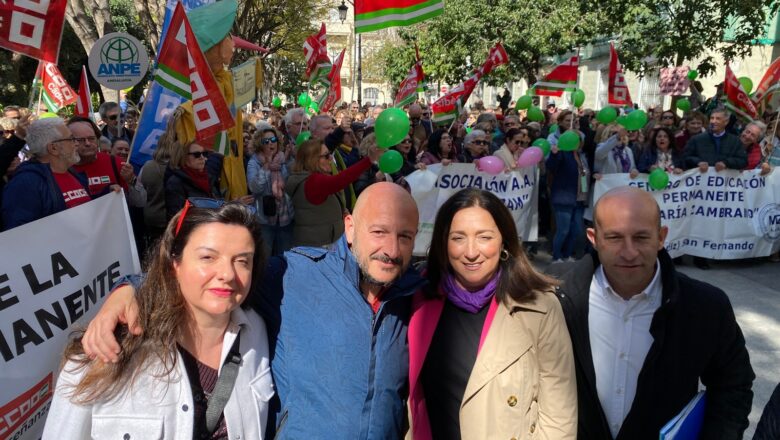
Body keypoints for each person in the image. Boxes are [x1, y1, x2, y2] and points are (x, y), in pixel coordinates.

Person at [81, 182, 425, 438]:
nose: (391, 249)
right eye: (378, 232)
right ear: (349, 227)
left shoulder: (418, 294)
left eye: (405, 237)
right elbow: (210, 281)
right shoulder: (295, 276)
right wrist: (129, 288)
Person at [42, 201, 273, 439]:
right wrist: (125, 289)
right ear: (175, 264)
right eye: (208, 257)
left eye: (242, 261)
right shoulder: (104, 350)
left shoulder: (257, 331)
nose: (227, 274)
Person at [547, 186, 754, 440]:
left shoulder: (705, 306)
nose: (629, 251)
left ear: (661, 237)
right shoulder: (554, 297)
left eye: (641, 237)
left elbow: (733, 386)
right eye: (614, 238)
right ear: (593, 238)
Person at [407, 188, 576, 439]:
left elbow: (559, 418)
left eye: (484, 237)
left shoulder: (540, 308)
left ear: (504, 241)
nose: (472, 251)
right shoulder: (418, 299)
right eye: (458, 238)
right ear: (443, 243)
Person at [1, 118, 114, 230]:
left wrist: (107, 194)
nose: (76, 144)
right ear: (53, 148)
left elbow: (79, 207)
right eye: (71, 139)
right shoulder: (26, 184)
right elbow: (20, 234)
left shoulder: (71, 172)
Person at [285, 138, 380, 247]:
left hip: (320, 243)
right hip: (318, 247)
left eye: (330, 154)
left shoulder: (309, 179)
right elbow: (340, 181)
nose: (331, 158)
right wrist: (369, 160)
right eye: (326, 156)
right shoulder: (313, 182)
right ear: (312, 160)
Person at [247, 127, 294, 257]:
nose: (270, 143)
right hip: (264, 221)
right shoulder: (254, 163)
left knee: (285, 259)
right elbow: (255, 188)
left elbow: (291, 183)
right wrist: (266, 168)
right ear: (259, 144)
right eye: (265, 141)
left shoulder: (284, 160)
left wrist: (291, 157)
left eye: (273, 140)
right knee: (265, 260)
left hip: (285, 218)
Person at [546, 131, 590, 263]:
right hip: (564, 198)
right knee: (563, 230)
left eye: (579, 140)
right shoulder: (563, 154)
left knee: (576, 230)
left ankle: (567, 254)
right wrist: (554, 154)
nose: (577, 142)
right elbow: (551, 166)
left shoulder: (581, 156)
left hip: (579, 198)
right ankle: (557, 256)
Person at [165, 141, 221, 219]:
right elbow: (176, 218)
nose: (202, 157)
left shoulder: (209, 177)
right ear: (183, 157)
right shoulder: (175, 183)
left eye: (204, 153)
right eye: (196, 155)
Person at [683, 108, 747, 172]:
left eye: (718, 119)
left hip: (724, 179)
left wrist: (726, 163)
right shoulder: (697, 139)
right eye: (712, 118)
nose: (713, 121)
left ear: (726, 122)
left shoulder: (735, 141)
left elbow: (743, 161)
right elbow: (686, 157)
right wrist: (698, 162)